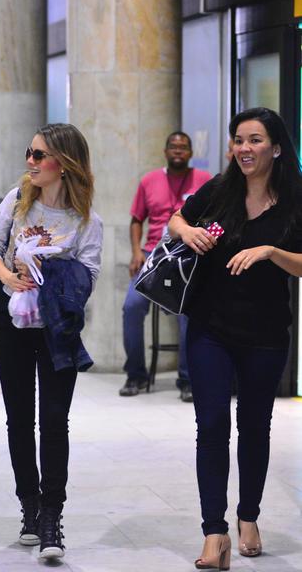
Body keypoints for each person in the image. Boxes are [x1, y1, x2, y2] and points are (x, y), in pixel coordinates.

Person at [168, 107, 302, 570]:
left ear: (277, 147)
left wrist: (270, 251)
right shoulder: (220, 190)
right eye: (238, 140)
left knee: (254, 429)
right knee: (210, 427)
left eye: (255, 140)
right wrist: (190, 232)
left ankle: (249, 517)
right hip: (210, 327)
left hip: (266, 333)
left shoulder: (294, 198)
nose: (244, 148)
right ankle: (213, 532)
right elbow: (176, 220)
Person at [0, 123, 103, 559]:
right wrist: (8, 276)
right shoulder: (16, 203)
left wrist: (50, 273)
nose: (30, 162)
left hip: (57, 328)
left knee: (54, 420)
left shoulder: (87, 219)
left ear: (64, 164)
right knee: (18, 418)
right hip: (10, 319)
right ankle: (29, 508)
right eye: (29, 153)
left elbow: (89, 275)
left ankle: (53, 516)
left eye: (39, 156)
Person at [120, 132, 211, 402]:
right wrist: (136, 252)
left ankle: (187, 377)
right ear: (165, 150)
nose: (178, 151)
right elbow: (136, 220)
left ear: (191, 152)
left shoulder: (204, 180)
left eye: (184, 147)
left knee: (189, 311)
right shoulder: (149, 181)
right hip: (154, 256)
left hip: (188, 256)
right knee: (132, 307)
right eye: (173, 146)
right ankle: (135, 374)